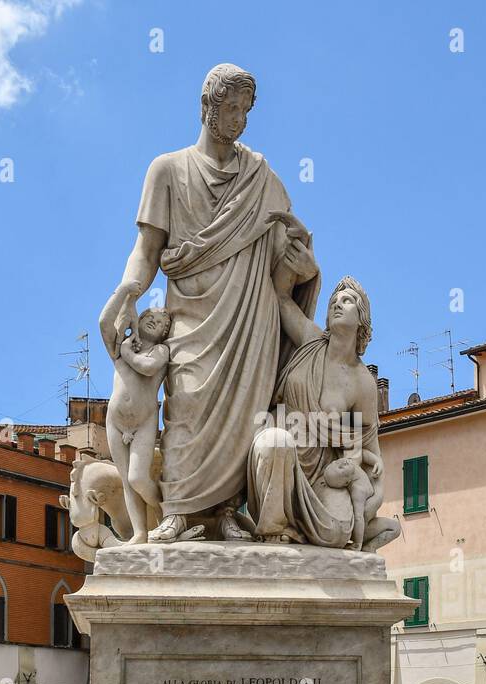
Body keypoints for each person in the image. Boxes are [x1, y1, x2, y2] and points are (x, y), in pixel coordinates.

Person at [99, 63, 320, 544]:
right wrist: (127, 294)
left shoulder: (262, 179)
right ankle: (179, 509)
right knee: (187, 403)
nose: (239, 119)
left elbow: (287, 253)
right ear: (207, 108)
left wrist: (304, 261)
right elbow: (147, 251)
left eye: (245, 111)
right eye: (230, 108)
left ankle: (225, 514)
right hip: (192, 318)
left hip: (250, 318)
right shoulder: (168, 170)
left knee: (247, 413)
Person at [246, 257, 399, 552]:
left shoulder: (363, 382)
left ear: (362, 319)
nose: (337, 304)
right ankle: (273, 532)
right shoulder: (310, 339)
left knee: (336, 532)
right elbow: (280, 297)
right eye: (334, 300)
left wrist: (368, 504)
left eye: (348, 301)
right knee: (275, 443)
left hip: (324, 477)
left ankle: (319, 530)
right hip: (278, 454)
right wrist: (292, 252)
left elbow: (371, 453)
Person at [99, 281, 173, 543]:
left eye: (162, 323)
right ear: (138, 320)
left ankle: (167, 515)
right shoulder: (123, 345)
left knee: (139, 478)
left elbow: (147, 367)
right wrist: (123, 293)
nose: (156, 320)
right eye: (150, 316)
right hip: (115, 420)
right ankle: (140, 532)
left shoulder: (160, 351)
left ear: (165, 334)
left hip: (144, 421)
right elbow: (104, 323)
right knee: (126, 481)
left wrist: (127, 352)